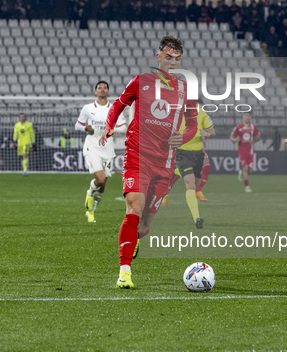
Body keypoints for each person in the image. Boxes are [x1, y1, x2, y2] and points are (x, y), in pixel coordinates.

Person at [99, 36, 198, 289]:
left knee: (143, 227)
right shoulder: (141, 81)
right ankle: (124, 272)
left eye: (177, 58)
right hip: (137, 156)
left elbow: (193, 124)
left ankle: (137, 237)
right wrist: (110, 127)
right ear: (158, 57)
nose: (172, 61)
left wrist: (183, 137)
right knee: (133, 210)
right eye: (168, 56)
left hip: (164, 163)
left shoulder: (186, 89)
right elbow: (118, 105)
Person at [76, 81, 127, 223]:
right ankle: (89, 193)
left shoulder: (115, 108)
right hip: (92, 146)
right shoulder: (87, 108)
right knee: (100, 178)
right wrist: (86, 129)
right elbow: (77, 125)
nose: (102, 90)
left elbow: (123, 128)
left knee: (103, 184)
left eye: (105, 88)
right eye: (100, 88)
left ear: (108, 91)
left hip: (107, 149)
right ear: (95, 92)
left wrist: (114, 130)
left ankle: (91, 211)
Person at [165, 101, 215, 225]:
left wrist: (207, 134)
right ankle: (197, 218)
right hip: (182, 153)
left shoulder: (201, 112)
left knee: (196, 185)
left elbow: (212, 132)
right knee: (191, 184)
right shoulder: (176, 112)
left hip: (198, 154)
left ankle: (177, 171)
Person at [230, 112, 260, 193]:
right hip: (242, 151)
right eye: (246, 115)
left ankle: (241, 172)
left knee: (250, 171)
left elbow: (258, 136)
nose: (247, 117)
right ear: (243, 117)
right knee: (246, 168)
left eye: (249, 116)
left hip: (251, 151)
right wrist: (235, 140)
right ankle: (247, 187)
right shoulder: (238, 127)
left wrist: (253, 140)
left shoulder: (253, 127)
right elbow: (231, 137)